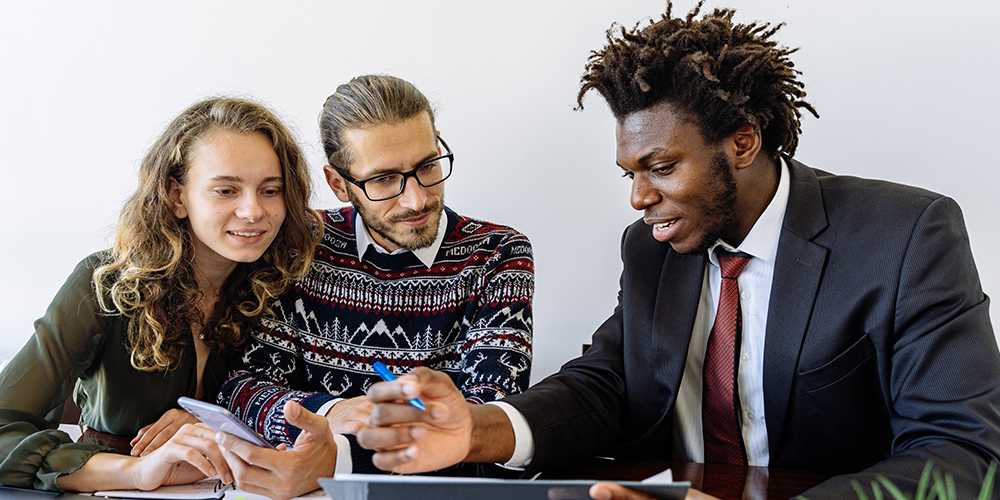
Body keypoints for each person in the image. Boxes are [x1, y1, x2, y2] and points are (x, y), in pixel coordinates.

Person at [356, 4, 1000, 500]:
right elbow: (605, 386)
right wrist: (478, 430)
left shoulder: (909, 234)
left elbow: (963, 451)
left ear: (742, 143)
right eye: (629, 172)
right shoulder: (652, 248)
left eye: (660, 166)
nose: (638, 198)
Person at [213, 74, 534, 499]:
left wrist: (335, 454)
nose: (416, 200)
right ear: (339, 184)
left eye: (427, 166)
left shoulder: (499, 255)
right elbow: (241, 386)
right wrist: (333, 411)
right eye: (383, 179)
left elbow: (488, 421)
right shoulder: (299, 244)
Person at [0, 97, 322, 493]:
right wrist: (137, 471)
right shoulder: (104, 284)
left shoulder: (288, 283)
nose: (253, 211)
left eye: (270, 190)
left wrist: (222, 421)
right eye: (225, 191)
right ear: (176, 196)